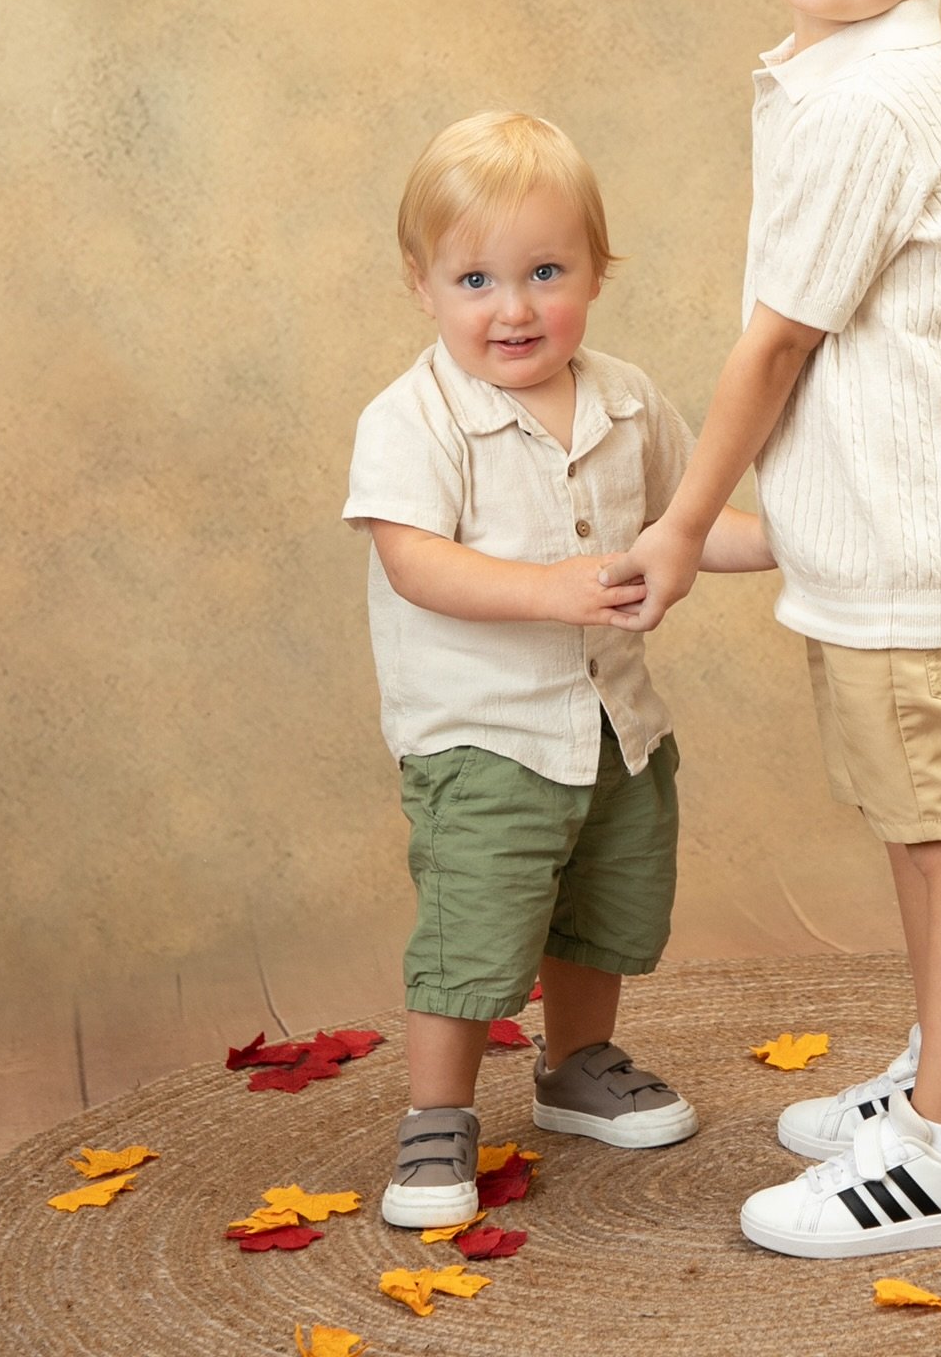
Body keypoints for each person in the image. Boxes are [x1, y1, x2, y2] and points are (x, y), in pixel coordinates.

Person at [600, 0, 941, 1257]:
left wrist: (677, 523)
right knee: (917, 822)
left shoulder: (862, 101)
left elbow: (773, 349)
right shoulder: (842, 61)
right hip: (877, 527)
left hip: (907, 549)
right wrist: (769, 530)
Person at [344, 110, 772, 1229]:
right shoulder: (414, 417)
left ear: (596, 269)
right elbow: (414, 562)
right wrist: (550, 591)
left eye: (546, 271)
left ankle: (578, 1062)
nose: (515, 306)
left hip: (612, 721)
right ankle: (437, 1113)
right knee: (474, 925)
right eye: (476, 278)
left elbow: (690, 521)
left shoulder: (627, 399)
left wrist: (784, 536)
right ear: (422, 285)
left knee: (602, 903)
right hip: (483, 733)